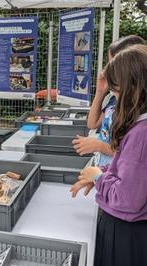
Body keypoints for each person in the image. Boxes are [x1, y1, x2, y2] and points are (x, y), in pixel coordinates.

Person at [70, 44, 147, 266]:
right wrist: (102, 173)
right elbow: (130, 173)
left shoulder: (140, 134)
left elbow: (127, 199)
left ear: (131, 89)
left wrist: (98, 177)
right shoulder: (138, 128)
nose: (113, 94)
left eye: (115, 89)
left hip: (126, 233)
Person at [72, 35, 145, 170]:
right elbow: (92, 123)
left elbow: (133, 156)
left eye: (112, 65)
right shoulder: (114, 99)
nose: (107, 70)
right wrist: (100, 92)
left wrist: (99, 146)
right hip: (105, 173)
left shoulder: (138, 112)